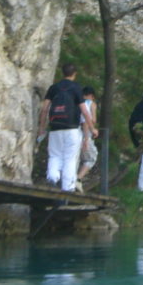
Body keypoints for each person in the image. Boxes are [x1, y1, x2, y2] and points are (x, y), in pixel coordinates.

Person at [38, 64, 96, 192]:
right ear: (74, 74)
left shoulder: (53, 88)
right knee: (70, 158)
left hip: (55, 128)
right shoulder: (76, 88)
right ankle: (68, 188)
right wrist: (92, 129)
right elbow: (85, 111)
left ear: (62, 72)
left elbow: (44, 109)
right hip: (72, 129)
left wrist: (42, 128)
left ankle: (52, 178)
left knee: (54, 156)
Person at [76, 86, 98, 191]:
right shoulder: (90, 104)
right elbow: (88, 120)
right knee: (91, 158)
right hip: (85, 134)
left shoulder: (76, 102)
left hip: (72, 132)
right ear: (92, 96)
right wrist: (87, 136)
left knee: (74, 158)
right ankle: (78, 179)